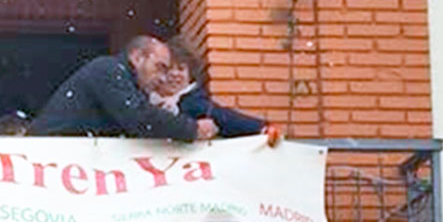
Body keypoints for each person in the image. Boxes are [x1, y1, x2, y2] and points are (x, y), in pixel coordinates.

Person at [29, 34, 278, 145]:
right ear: (137, 57)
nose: (163, 77)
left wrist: (258, 129)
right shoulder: (107, 70)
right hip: (48, 161)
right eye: (160, 67)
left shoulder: (124, 84)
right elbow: (139, 118)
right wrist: (193, 130)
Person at [155, 38, 281, 142]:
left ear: (190, 75)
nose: (174, 74)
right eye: (168, 69)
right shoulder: (145, 104)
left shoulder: (196, 104)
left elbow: (226, 118)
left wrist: (261, 128)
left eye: (181, 69)